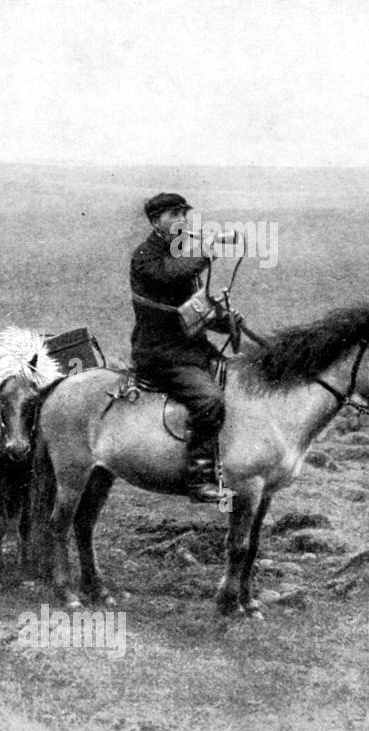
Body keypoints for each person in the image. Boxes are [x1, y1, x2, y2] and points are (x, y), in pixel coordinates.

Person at [129, 193, 234, 503]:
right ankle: (199, 479)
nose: (182, 220)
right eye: (174, 214)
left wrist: (227, 322)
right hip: (162, 354)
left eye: (184, 214)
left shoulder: (180, 256)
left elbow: (193, 308)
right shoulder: (146, 256)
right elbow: (169, 275)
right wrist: (208, 251)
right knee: (209, 399)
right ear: (155, 222)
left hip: (190, 350)